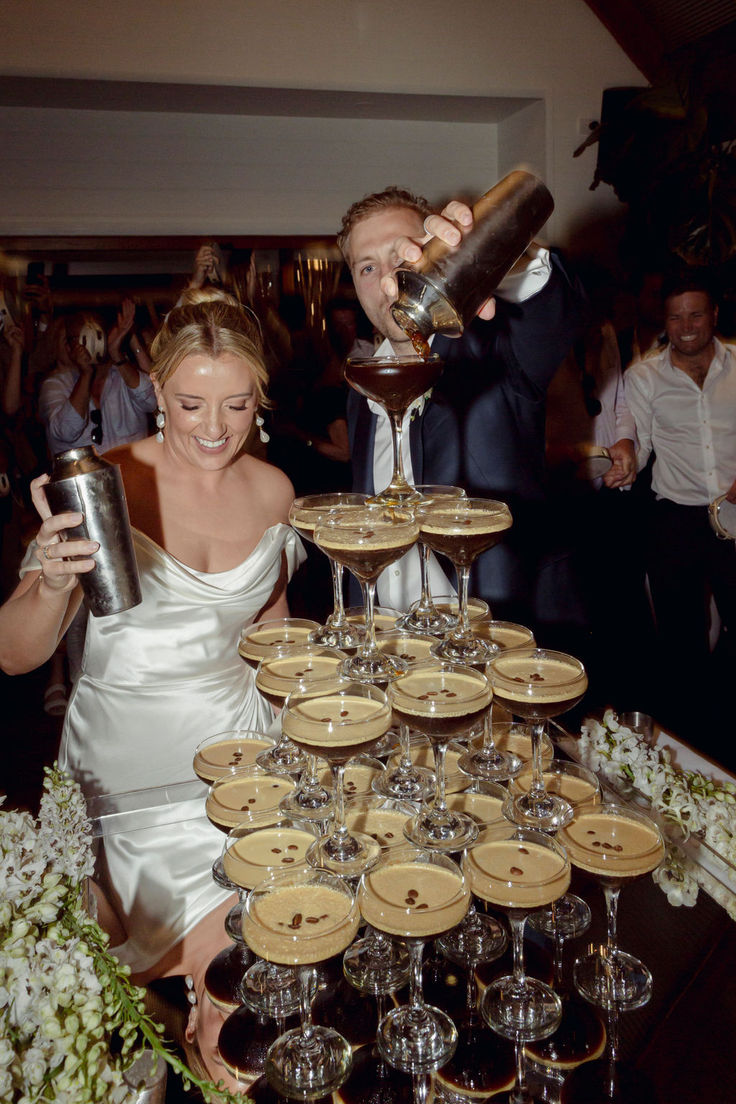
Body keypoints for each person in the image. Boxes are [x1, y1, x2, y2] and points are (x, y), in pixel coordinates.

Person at [0, 293, 304, 977]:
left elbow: (270, 623)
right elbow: (14, 654)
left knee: (250, 967)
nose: (216, 428)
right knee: (113, 975)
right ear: (156, 388)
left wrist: (304, 738)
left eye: (238, 403)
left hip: (241, 753)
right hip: (124, 765)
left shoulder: (274, 490)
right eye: (192, 404)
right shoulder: (102, 484)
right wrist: (52, 584)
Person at [336, 185, 588, 645]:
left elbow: (552, 306)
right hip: (394, 642)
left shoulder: (498, 349)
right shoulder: (360, 388)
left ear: (438, 247)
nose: (389, 277)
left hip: (501, 632)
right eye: (367, 267)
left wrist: (489, 250)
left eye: (403, 252)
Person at [626, 273, 736, 755]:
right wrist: (623, 460)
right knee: (679, 636)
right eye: (676, 316)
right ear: (664, 321)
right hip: (676, 520)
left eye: (696, 314)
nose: (686, 325)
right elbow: (641, 446)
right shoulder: (644, 377)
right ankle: (690, 742)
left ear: (714, 315)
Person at [38, 301, 156, 458]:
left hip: (131, 476)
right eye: (80, 338)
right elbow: (66, 431)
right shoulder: (55, 385)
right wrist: (86, 375)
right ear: (68, 348)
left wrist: (117, 354)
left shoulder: (125, 377)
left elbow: (153, 401)